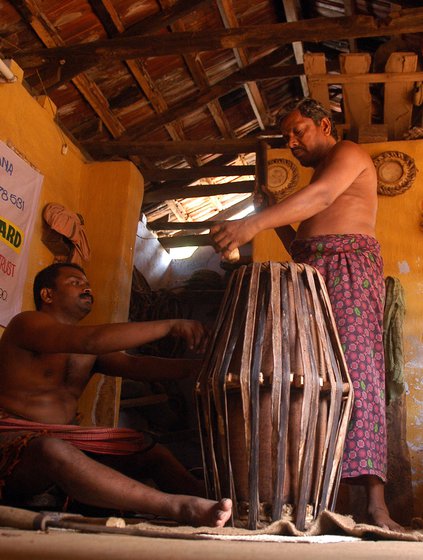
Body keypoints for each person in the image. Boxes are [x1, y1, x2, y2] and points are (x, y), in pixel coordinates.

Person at [210, 98, 400, 530]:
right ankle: (309, 498)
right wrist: (268, 218)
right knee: (307, 378)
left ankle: (376, 505)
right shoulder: (319, 172)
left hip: (349, 266)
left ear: (325, 124)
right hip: (310, 273)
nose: (291, 142)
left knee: (358, 374)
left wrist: (247, 226)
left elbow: (324, 196)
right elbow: (306, 234)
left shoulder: (348, 152)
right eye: (285, 137)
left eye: (298, 131)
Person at [0, 262, 232, 527]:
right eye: (75, 282)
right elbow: (90, 341)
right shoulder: (26, 324)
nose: (86, 287)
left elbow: (134, 365)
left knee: (148, 450)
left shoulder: (87, 344)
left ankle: (219, 504)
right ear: (47, 295)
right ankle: (178, 507)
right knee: (51, 449)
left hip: (65, 440)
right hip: (12, 439)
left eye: (86, 283)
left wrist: (200, 368)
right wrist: (170, 325)